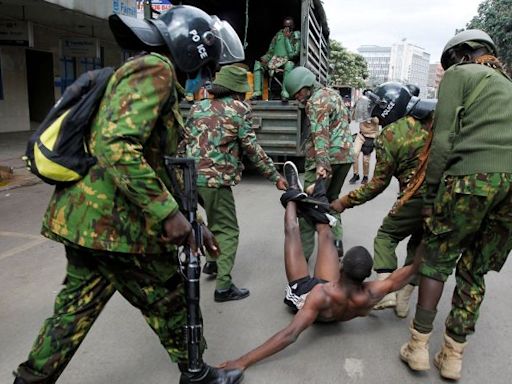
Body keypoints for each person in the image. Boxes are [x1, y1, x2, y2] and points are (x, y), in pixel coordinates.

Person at [12, 6, 246, 384]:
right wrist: (170, 216)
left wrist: (194, 223)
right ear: (191, 49)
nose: (204, 77)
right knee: (171, 299)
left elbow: (157, 165)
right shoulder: (157, 69)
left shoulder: (144, 69)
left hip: (87, 224)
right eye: (207, 66)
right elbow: (116, 146)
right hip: (118, 228)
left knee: (74, 309)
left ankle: (30, 380)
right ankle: (197, 374)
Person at [218, 161, 421, 372]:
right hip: (332, 291)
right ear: (367, 275)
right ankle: (319, 186)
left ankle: (292, 194)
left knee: (292, 230)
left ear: (341, 268)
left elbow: (290, 334)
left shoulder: (318, 295)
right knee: (325, 232)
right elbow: (411, 269)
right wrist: (433, 236)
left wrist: (242, 362)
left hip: (309, 298)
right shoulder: (374, 291)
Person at [399, 29, 512, 381]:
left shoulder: (461, 74)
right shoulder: (508, 83)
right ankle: (452, 357)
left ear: (461, 54)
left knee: (437, 258)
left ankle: (417, 347)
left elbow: (444, 138)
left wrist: (431, 195)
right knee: (475, 269)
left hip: (470, 178)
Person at [182, 64, 287, 302]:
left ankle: (212, 263)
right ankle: (223, 287)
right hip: (215, 180)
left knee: (212, 219)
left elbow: (184, 141)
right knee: (229, 230)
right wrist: (275, 176)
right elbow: (252, 148)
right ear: (239, 90)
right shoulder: (238, 109)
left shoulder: (198, 106)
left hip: (190, 178)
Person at [331, 83, 437, 317]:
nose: (375, 115)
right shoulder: (432, 123)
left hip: (416, 196)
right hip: (444, 198)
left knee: (386, 237)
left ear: (389, 107)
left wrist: (344, 201)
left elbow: (378, 184)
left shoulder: (390, 134)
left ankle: (386, 293)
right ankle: (403, 302)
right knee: (418, 244)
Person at [283, 66, 354, 260]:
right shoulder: (333, 94)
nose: (297, 97)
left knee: (307, 207)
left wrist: (322, 164)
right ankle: (336, 242)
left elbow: (320, 134)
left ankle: (302, 259)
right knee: (332, 200)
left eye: (298, 92)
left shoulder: (315, 101)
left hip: (326, 158)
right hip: (345, 156)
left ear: (307, 86)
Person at [252, 16, 300, 101]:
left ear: (293, 26)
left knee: (289, 65)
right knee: (258, 64)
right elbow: (271, 51)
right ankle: (257, 93)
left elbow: (293, 55)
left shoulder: (296, 35)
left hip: (288, 62)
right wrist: (265, 58)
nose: (286, 28)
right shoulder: (278, 34)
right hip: (275, 61)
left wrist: (287, 39)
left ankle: (285, 93)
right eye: (285, 26)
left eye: (288, 27)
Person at [347, 114, 380, 185]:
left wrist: (370, 116)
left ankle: (365, 176)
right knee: (354, 153)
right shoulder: (362, 109)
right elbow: (354, 117)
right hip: (361, 135)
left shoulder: (375, 110)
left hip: (371, 137)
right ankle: (356, 174)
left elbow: (377, 121)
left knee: (365, 160)